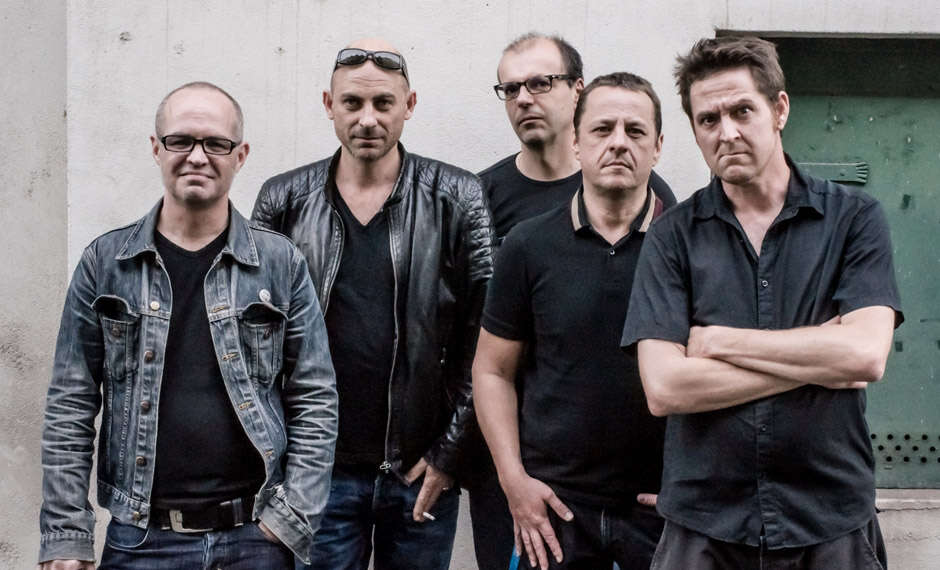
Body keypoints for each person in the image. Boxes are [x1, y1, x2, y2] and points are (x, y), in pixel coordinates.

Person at [622, 36, 903, 569]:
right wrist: (820, 360)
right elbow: (665, 388)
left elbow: (865, 356)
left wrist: (718, 342)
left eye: (742, 111)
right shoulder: (672, 236)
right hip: (706, 524)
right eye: (708, 119)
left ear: (779, 109)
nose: (726, 132)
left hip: (829, 519)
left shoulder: (853, 219)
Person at [38, 81, 338, 570]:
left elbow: (315, 396)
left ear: (240, 155)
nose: (197, 156)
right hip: (142, 541)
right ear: (156, 148)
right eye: (180, 141)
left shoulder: (279, 263)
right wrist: (67, 536)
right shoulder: (105, 263)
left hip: (255, 541)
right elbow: (70, 404)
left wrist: (290, 518)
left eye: (216, 143)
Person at [251, 38, 494, 570]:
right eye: (352, 103)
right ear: (328, 104)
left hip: (420, 473)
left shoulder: (456, 197)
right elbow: (252, 347)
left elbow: (485, 341)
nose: (367, 119)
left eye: (383, 103)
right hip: (317, 475)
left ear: (409, 105)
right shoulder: (283, 201)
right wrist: (283, 465)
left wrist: (448, 454)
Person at [468, 33, 677, 570]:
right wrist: (513, 481)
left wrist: (696, 485)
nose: (619, 143)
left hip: (658, 513)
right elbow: (491, 371)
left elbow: (709, 367)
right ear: (578, 143)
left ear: (658, 147)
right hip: (552, 508)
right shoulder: (527, 244)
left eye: (635, 131)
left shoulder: (687, 243)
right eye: (602, 130)